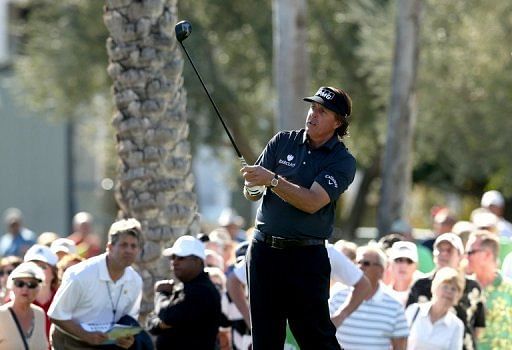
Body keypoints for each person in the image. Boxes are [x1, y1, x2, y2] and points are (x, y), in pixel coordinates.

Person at [240, 86, 357, 349]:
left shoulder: (342, 161)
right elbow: (253, 193)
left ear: (338, 122)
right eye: (313, 107)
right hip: (263, 253)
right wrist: (252, 185)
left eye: (322, 111)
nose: (313, 114)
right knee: (265, 340)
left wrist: (271, 179)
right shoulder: (283, 141)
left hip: (305, 259)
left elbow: (312, 202)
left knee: (316, 339)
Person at [228, 243, 370, 350]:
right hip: (276, 333)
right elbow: (233, 281)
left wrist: (340, 316)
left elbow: (363, 285)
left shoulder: (326, 250)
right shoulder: (270, 244)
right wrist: (251, 321)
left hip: (314, 331)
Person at [48, 218, 144, 349]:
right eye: (123, 245)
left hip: (105, 344)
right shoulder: (81, 274)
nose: (129, 250)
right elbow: (56, 315)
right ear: (109, 247)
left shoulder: (135, 281)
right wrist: (86, 336)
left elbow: (128, 321)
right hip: (70, 343)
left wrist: (126, 340)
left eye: (134, 246)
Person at [406, 233, 485, 350]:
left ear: (460, 256)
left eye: (449, 250)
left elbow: (479, 326)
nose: (443, 254)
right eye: (439, 250)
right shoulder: (420, 285)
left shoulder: (472, 287)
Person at [147, 235, 222, 349]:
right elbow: (151, 324)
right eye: (173, 257)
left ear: (197, 261)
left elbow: (167, 315)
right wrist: (161, 322)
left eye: (181, 258)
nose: (175, 262)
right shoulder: (183, 287)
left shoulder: (203, 291)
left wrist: (160, 294)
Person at [329, 246, 408, 349]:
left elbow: (400, 346)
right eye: (358, 262)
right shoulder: (338, 295)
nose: (360, 266)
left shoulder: (395, 305)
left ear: (381, 270)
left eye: (366, 263)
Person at [465, 230, 512, 349]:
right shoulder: (462, 287)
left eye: (471, 252)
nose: (466, 257)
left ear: (487, 255)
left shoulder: (509, 288)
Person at [405, 267, 464, 350]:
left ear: (458, 295)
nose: (449, 292)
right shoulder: (414, 310)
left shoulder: (457, 325)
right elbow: (398, 341)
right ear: (435, 288)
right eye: (445, 286)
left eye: (453, 289)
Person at [0, 262, 48, 349]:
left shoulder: (40, 314)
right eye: (19, 283)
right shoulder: (1, 314)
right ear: (12, 287)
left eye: (32, 284)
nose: (25, 289)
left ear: (38, 288)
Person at [23, 244, 59, 339]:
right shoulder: (14, 300)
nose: (37, 270)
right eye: (33, 266)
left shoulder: (63, 298)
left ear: (53, 273)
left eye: (43, 267)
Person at [385, 241, 421, 307]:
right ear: (390, 264)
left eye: (409, 261)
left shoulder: (423, 296)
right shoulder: (382, 294)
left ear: (416, 266)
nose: (403, 265)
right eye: (399, 260)